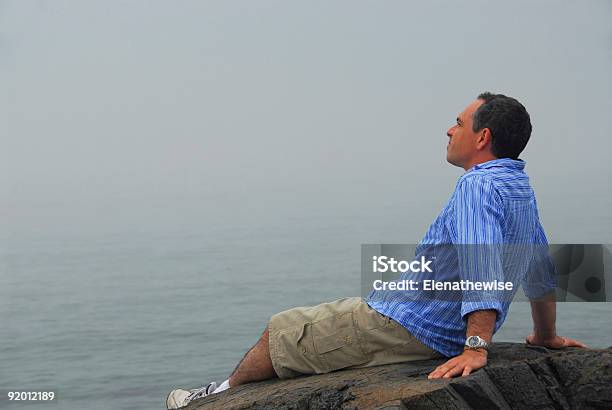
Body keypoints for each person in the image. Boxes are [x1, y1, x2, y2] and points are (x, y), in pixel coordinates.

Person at [166, 92, 587, 409]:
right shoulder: (518, 187)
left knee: (282, 329)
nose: (448, 129)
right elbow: (540, 267)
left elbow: (481, 262)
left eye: (458, 122)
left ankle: (210, 398)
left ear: (482, 136)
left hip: (414, 327)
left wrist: (476, 347)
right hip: (430, 322)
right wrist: (545, 335)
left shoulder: (476, 185)